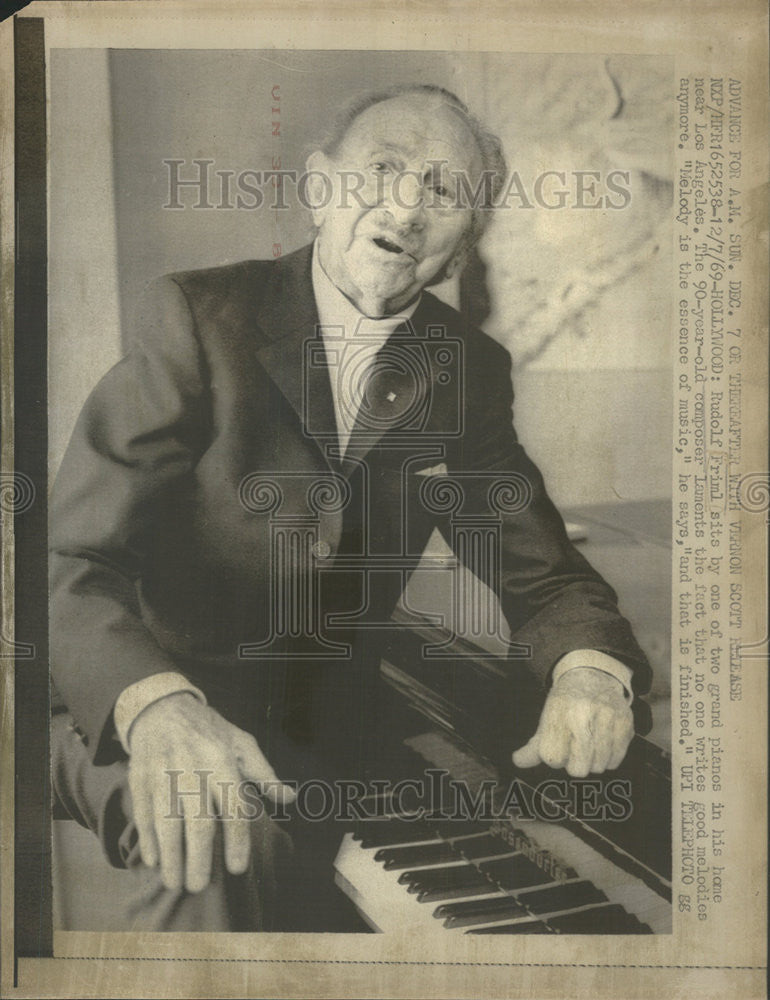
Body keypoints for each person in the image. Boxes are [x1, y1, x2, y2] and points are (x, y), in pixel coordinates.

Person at [50, 83, 652, 931]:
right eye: (385, 169)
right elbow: (72, 562)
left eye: (444, 191)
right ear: (320, 187)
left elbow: (544, 574)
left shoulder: (463, 367)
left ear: (462, 245)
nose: (407, 208)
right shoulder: (196, 315)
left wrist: (590, 669)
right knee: (225, 835)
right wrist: (158, 706)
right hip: (128, 692)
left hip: (321, 716)